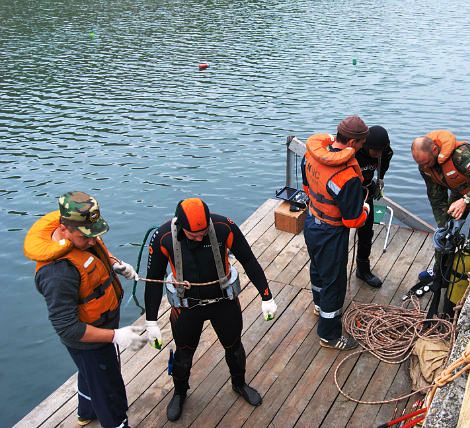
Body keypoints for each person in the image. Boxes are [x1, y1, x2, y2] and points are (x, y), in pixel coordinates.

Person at [144, 197, 277, 421]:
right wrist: (151, 321)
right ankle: (179, 392)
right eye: (193, 235)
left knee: (234, 347)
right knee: (184, 354)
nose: (199, 237)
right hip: (187, 307)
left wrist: (266, 296)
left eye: (203, 232)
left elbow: (249, 260)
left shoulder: (224, 227)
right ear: (180, 226)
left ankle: (239, 383)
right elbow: (153, 281)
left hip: (223, 301)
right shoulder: (163, 237)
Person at [23, 191, 145, 428]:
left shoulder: (84, 234)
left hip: (100, 329)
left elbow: (93, 249)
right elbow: (67, 328)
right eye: (85, 237)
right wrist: (116, 336)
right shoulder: (58, 274)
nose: (92, 240)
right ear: (64, 228)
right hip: (89, 341)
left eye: (95, 234)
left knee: (89, 375)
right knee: (110, 392)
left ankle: (86, 412)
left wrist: (115, 264)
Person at [302, 115, 371, 351]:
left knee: (317, 267)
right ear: (352, 143)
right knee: (334, 280)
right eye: (361, 143)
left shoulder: (311, 154)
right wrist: (365, 209)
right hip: (331, 232)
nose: (362, 147)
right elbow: (352, 220)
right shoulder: (347, 177)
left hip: (311, 221)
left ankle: (319, 305)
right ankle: (329, 335)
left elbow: (306, 185)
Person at [411, 130, 470, 261]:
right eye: (421, 164)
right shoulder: (425, 167)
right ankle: (440, 273)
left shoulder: (460, 155)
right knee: (444, 235)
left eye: (426, 162)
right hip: (460, 190)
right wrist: (442, 226)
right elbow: (436, 199)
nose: (424, 167)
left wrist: (465, 201)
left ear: (434, 149)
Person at [354, 125, 394, 288]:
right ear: (365, 145)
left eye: (380, 151)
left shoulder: (386, 152)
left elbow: (383, 164)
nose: (378, 154)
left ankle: (363, 269)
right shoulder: (354, 151)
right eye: (375, 151)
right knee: (340, 232)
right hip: (348, 193)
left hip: (366, 192)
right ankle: (335, 268)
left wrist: (380, 180)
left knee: (366, 232)